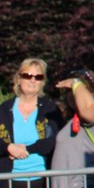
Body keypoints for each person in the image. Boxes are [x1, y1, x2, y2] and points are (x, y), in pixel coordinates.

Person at [1, 58, 64, 188]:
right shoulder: (4, 109)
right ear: (18, 79)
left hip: (42, 179)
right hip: (8, 179)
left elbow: (56, 140)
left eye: (38, 76)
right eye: (27, 75)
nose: (32, 80)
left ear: (42, 82)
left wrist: (27, 149)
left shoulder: (50, 109)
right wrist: (8, 147)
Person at [50, 69, 94, 188]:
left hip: (89, 183)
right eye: (69, 91)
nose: (72, 94)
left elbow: (88, 109)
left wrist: (76, 83)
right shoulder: (73, 118)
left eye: (76, 90)